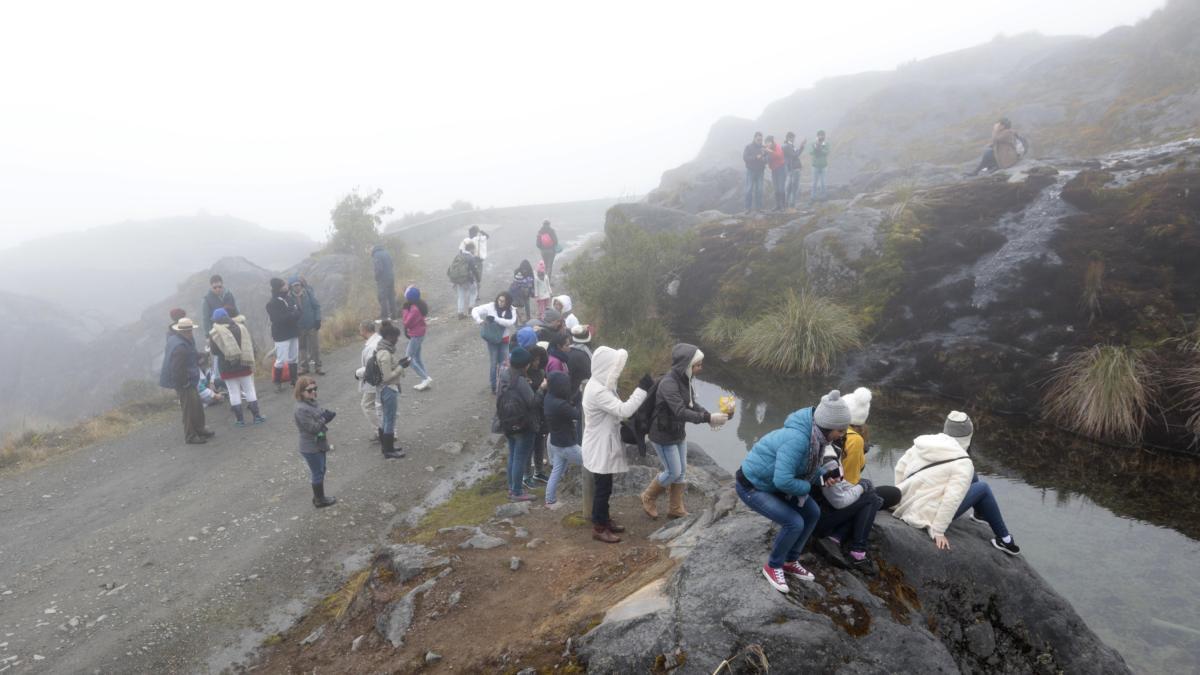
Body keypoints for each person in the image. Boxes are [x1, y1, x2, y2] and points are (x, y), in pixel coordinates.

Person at [736, 390, 851, 593]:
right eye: (840, 431)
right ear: (828, 427)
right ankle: (773, 566)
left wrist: (822, 476)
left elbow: (805, 468)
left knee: (813, 513)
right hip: (753, 485)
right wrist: (810, 486)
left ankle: (790, 560)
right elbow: (783, 480)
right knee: (794, 522)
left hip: (771, 482)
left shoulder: (817, 438)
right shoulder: (798, 440)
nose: (842, 435)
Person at [891, 412, 1021, 556]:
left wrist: (902, 494)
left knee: (972, 475)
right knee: (983, 488)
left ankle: (980, 514)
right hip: (928, 512)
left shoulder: (925, 443)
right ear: (967, 437)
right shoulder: (963, 463)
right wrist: (938, 530)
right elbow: (951, 499)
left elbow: (900, 467)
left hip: (907, 499)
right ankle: (1005, 539)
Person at [641, 344, 729, 519]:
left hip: (677, 432)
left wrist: (709, 415)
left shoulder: (684, 379)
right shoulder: (668, 383)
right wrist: (708, 419)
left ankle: (675, 508)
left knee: (681, 472)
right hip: (663, 434)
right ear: (686, 365)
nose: (700, 368)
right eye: (697, 365)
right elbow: (680, 411)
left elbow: (692, 405)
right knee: (673, 471)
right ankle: (648, 496)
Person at [582, 346, 652, 543]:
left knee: (606, 486)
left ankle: (605, 519)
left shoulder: (602, 384)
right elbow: (624, 410)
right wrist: (642, 389)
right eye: (614, 367)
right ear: (605, 367)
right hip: (600, 446)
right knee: (603, 488)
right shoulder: (598, 391)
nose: (617, 372)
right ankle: (599, 527)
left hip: (602, 442)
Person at [811, 442, 884, 573]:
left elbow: (841, 484)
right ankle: (858, 552)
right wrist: (862, 487)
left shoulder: (822, 448)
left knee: (874, 498)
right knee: (872, 499)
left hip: (816, 511)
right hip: (817, 519)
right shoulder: (829, 459)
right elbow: (838, 501)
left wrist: (860, 488)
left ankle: (836, 537)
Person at [837, 387, 901, 509]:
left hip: (831, 488)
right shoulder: (855, 440)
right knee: (893, 494)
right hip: (840, 496)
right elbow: (849, 481)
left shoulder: (831, 430)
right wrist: (863, 487)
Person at [159, 317, 214, 444]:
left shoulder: (178, 339)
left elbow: (191, 355)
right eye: (190, 330)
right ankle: (190, 435)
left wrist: (201, 355)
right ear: (186, 331)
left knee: (197, 406)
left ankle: (200, 429)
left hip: (189, 379)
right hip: (184, 382)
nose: (191, 332)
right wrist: (184, 383)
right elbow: (177, 369)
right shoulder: (180, 347)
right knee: (189, 409)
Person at [497, 347, 541, 502]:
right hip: (523, 424)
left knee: (513, 455)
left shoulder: (504, 375)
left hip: (507, 422)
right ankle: (517, 492)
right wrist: (540, 389)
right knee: (520, 458)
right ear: (525, 365)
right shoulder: (520, 381)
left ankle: (512, 488)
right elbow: (533, 402)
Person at [208, 307, 264, 426]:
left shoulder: (214, 333)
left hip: (226, 367)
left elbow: (214, 352)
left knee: (233, 392)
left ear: (216, 320)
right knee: (249, 390)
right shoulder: (240, 327)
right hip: (244, 363)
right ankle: (257, 417)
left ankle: (240, 420)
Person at [293, 375, 337, 508]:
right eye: (309, 390)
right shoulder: (301, 409)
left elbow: (318, 415)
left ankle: (318, 497)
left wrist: (325, 414)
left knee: (321, 469)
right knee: (317, 472)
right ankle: (319, 500)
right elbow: (312, 428)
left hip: (319, 443)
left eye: (315, 388)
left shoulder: (311, 402)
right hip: (310, 446)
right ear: (301, 392)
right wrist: (324, 418)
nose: (313, 392)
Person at [543, 371, 581, 510]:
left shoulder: (549, 397)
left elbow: (568, 404)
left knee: (557, 470)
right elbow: (577, 414)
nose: (568, 387)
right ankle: (594, 495)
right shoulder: (560, 405)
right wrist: (580, 399)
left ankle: (550, 500)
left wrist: (577, 396)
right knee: (591, 463)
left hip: (556, 441)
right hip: (566, 444)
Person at [374, 323, 410, 459]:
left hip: (383, 389)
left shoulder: (382, 350)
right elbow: (387, 377)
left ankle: (386, 447)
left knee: (386, 418)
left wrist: (399, 363)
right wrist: (401, 367)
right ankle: (389, 450)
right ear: (389, 337)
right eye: (395, 337)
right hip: (388, 388)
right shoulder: (385, 353)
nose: (397, 339)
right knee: (390, 418)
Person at [472, 291, 519, 394]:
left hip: (504, 340)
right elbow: (475, 310)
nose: (500, 303)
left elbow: (510, 322)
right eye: (499, 300)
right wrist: (479, 320)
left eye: (503, 301)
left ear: (508, 302)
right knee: (493, 363)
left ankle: (503, 383)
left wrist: (495, 319)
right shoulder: (491, 306)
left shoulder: (512, 310)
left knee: (504, 363)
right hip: (492, 339)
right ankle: (494, 386)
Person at [266, 277, 302, 393]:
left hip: (293, 331)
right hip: (281, 335)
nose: (286, 286)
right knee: (281, 359)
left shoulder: (289, 298)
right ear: (279, 287)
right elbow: (278, 319)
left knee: (293, 357)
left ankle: (294, 380)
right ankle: (277, 382)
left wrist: (293, 314)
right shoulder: (272, 303)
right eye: (283, 285)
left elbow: (299, 311)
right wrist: (293, 314)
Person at [355, 319, 383, 442]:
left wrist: (357, 373)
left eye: (360, 330)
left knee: (366, 405)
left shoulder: (371, 346)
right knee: (381, 405)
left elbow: (370, 367)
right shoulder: (379, 340)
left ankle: (381, 431)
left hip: (374, 380)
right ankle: (385, 430)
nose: (360, 333)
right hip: (382, 378)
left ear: (365, 330)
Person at [401, 287, 433, 391]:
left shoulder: (414, 309)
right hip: (419, 333)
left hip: (416, 335)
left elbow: (406, 322)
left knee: (408, 359)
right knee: (417, 357)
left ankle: (425, 378)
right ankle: (425, 378)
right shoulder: (419, 305)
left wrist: (405, 310)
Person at [292, 275, 324, 376]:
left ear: (301, 285)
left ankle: (318, 367)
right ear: (291, 287)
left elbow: (317, 306)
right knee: (302, 348)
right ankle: (303, 367)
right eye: (294, 285)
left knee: (314, 347)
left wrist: (318, 319)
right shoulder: (290, 298)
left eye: (298, 285)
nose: (297, 287)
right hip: (299, 327)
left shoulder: (308, 293)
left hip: (311, 325)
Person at [448, 242, 481, 319]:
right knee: (474, 292)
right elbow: (474, 270)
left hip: (458, 280)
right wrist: (478, 279)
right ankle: (471, 308)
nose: (474, 250)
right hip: (468, 279)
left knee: (461, 296)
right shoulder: (470, 257)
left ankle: (460, 313)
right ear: (471, 249)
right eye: (474, 249)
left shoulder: (458, 255)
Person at [460, 226, 489, 303]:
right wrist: (481, 231)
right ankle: (476, 295)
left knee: (470, 278)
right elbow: (487, 236)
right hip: (478, 261)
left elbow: (460, 251)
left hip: (468, 261)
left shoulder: (466, 241)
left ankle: (471, 294)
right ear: (476, 232)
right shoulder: (479, 239)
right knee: (477, 278)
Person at [742, 131, 768, 213]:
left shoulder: (764, 148)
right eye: (758, 139)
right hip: (751, 171)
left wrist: (763, 157)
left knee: (759, 189)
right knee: (749, 189)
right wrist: (755, 157)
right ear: (754, 138)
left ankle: (759, 208)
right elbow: (745, 158)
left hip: (760, 171)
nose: (760, 141)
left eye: (761, 139)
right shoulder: (748, 147)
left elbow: (766, 159)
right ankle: (747, 208)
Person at [371, 243, 396, 321]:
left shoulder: (376, 255)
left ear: (373, 248)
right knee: (391, 296)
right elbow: (392, 264)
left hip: (383, 279)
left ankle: (384, 316)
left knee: (382, 297)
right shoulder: (386, 252)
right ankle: (394, 315)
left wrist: (376, 277)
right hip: (391, 277)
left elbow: (379, 268)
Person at [783, 132, 807, 209]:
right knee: (793, 188)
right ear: (788, 138)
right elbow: (795, 155)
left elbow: (796, 153)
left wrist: (801, 147)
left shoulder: (790, 146)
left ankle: (787, 204)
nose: (793, 139)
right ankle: (791, 205)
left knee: (789, 188)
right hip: (794, 168)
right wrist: (801, 147)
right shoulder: (787, 146)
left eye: (793, 138)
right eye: (792, 138)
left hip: (792, 168)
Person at [766, 135, 787, 211]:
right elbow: (766, 159)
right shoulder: (767, 149)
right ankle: (778, 205)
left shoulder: (777, 147)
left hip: (781, 168)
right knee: (776, 188)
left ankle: (783, 206)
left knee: (781, 188)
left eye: (769, 142)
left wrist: (770, 152)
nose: (768, 144)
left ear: (772, 142)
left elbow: (779, 155)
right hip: (774, 170)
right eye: (766, 143)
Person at [811, 130, 830, 201]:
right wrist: (816, 147)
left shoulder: (826, 144)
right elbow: (811, 152)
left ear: (824, 136)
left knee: (823, 183)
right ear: (817, 136)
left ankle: (824, 197)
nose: (821, 137)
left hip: (824, 166)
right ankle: (813, 197)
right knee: (814, 183)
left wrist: (820, 149)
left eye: (822, 135)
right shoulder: (813, 143)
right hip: (815, 166)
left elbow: (827, 152)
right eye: (820, 135)